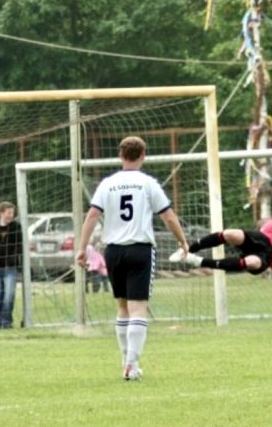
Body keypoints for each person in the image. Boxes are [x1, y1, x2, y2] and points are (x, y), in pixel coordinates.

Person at [76, 136, 189, 381]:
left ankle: (126, 363)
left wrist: (82, 248)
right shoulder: (148, 183)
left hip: (113, 251)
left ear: (120, 155)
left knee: (122, 308)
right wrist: (182, 240)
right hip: (140, 250)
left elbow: (92, 216)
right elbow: (168, 217)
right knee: (139, 308)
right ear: (143, 156)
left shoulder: (108, 183)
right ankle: (132, 363)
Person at [169, 217, 272, 281]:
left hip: (264, 257)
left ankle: (199, 261)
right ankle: (188, 249)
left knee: (251, 261)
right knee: (231, 233)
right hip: (258, 242)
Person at [0, 201, 23, 329]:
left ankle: (7, 321)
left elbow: (18, 246)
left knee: (9, 294)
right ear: (1, 213)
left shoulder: (16, 227)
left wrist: (12, 261)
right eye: (9, 213)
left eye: (12, 213)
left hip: (10, 268)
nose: (11, 215)